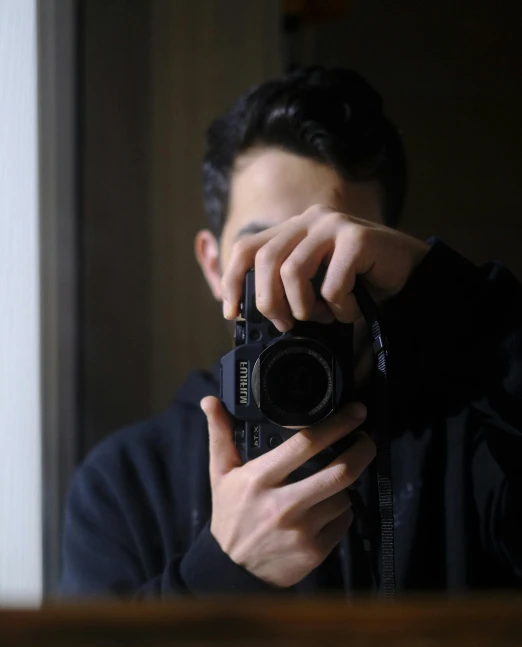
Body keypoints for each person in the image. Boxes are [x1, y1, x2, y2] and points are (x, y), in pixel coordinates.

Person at [61, 66, 522, 597]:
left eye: (327, 256)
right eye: (262, 252)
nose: (293, 281)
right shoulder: (129, 481)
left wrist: (438, 287)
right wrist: (222, 570)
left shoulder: (471, 440)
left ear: (381, 264)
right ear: (214, 266)